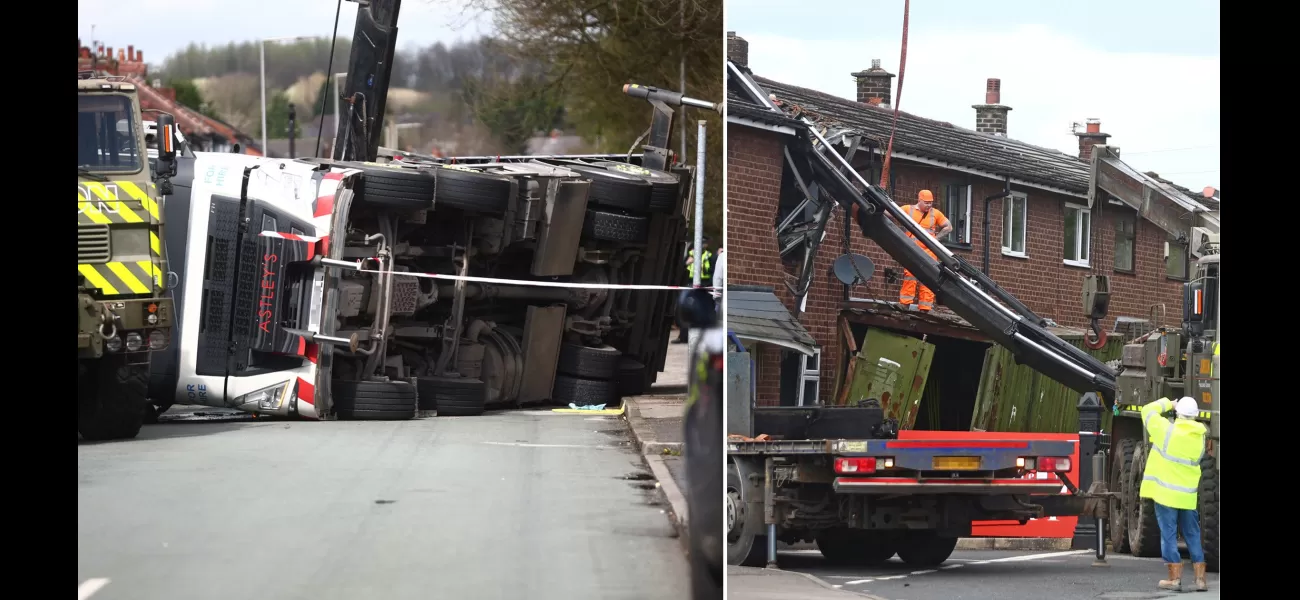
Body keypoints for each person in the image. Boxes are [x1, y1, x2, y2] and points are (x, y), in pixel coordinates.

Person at [1140, 396, 1209, 592]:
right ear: (1195, 416)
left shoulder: (1166, 430)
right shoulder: (1200, 437)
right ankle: (1200, 578)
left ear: (1178, 413)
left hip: (1165, 494)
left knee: (1169, 535)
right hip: (1187, 496)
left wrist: (1169, 403)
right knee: (1192, 534)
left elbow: (1146, 410)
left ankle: (1174, 578)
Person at [897, 190, 952, 312]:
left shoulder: (935, 214)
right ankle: (905, 304)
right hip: (912, 249)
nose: (929, 205)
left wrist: (935, 240)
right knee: (910, 276)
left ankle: (925, 307)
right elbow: (890, 213)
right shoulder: (908, 209)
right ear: (919, 200)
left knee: (929, 277)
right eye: (926, 202)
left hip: (929, 251)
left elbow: (948, 227)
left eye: (931, 203)